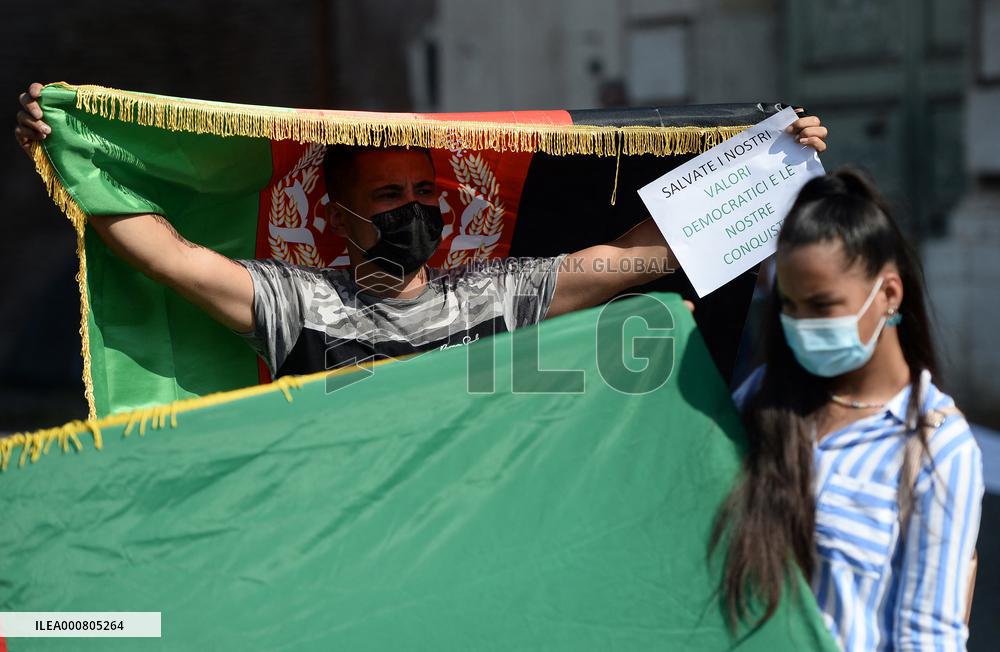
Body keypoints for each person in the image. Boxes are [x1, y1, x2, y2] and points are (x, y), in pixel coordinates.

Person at [15, 82, 828, 378]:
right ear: (335, 212)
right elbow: (171, 259)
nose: (412, 207)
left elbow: (631, 257)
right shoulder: (300, 304)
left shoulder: (494, 294)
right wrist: (73, 153)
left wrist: (767, 169)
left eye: (423, 190)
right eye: (387, 194)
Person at [720, 168, 984, 651]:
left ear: (889, 294)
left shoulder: (937, 446)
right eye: (789, 306)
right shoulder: (761, 398)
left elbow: (927, 635)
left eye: (822, 306)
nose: (801, 324)